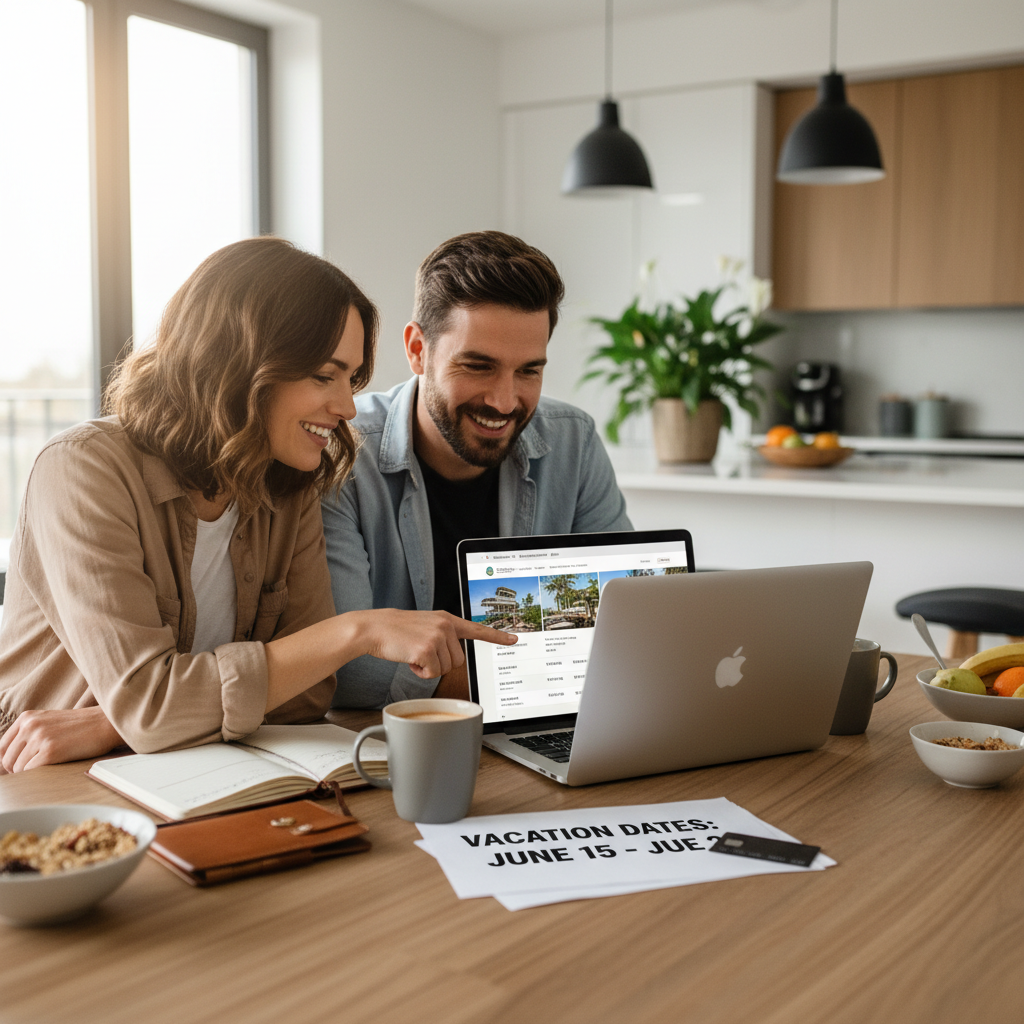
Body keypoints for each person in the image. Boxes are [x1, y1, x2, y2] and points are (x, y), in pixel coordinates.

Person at [0, 237, 514, 773]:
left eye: (351, 378)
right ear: (238, 364)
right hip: (44, 775)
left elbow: (307, 696)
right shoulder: (83, 470)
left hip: (184, 763)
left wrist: (118, 723)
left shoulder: (287, 483)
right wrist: (355, 630)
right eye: (323, 375)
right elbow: (152, 709)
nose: (344, 406)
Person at [323, 231, 631, 710]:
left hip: (556, 724)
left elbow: (626, 626)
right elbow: (348, 669)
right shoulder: (342, 451)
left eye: (528, 370)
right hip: (402, 744)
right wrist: (533, 678)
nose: (504, 401)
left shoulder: (575, 441)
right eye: (478, 366)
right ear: (417, 349)